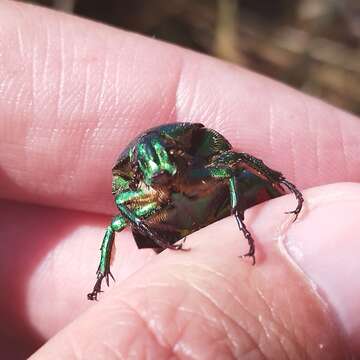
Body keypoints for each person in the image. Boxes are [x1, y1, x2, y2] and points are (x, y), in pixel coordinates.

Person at [0, 1, 359, 358]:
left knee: (239, 167)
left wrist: (245, 213)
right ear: (138, 171)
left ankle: (251, 211)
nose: (162, 172)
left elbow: (235, 158)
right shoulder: (133, 190)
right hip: (168, 223)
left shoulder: (202, 158)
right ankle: (101, 276)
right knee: (115, 225)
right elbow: (120, 215)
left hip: (209, 196)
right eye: (152, 167)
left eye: (167, 159)